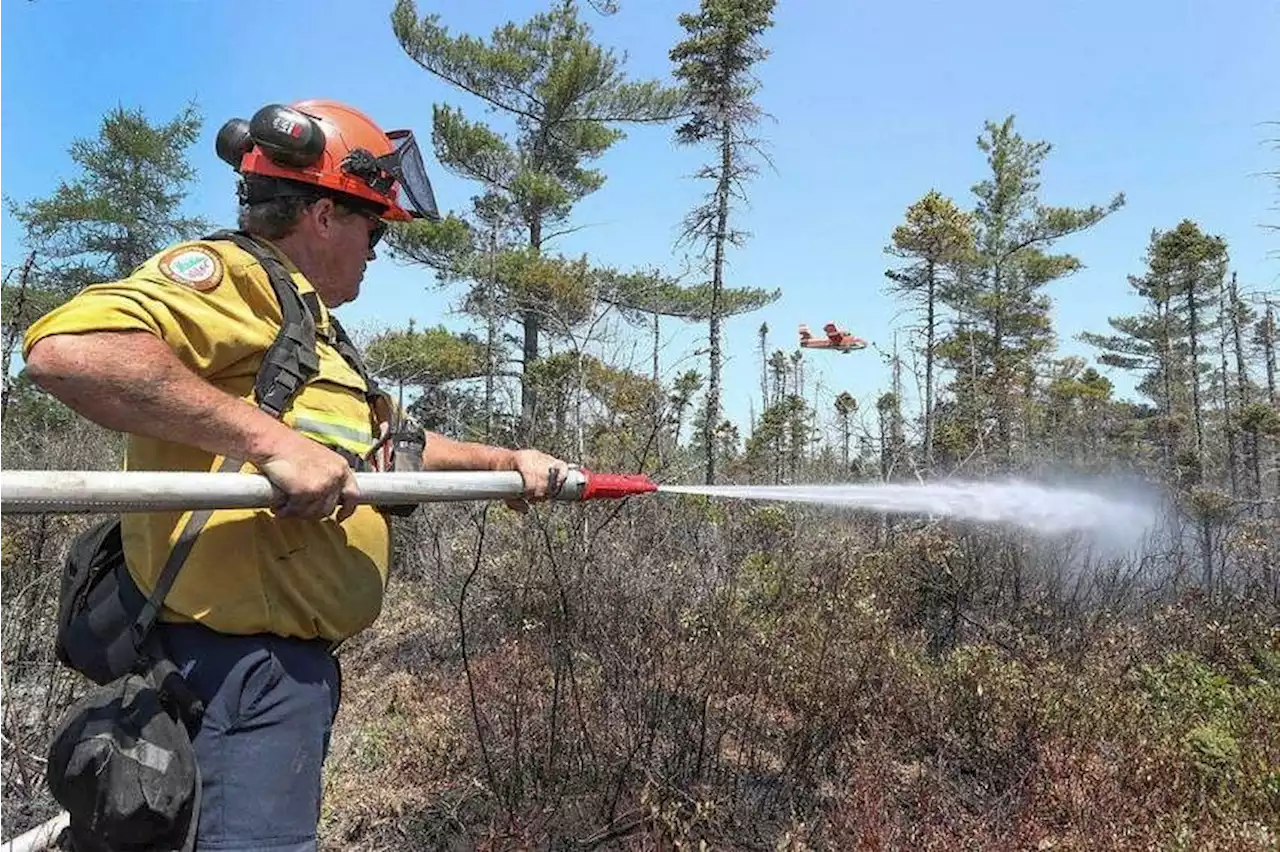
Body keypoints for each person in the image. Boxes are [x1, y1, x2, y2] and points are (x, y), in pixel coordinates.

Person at [22, 99, 568, 851]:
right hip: (230, 670)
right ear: (322, 215)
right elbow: (69, 351)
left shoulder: (307, 328)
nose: (376, 250)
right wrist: (269, 442)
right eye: (372, 228)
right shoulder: (236, 277)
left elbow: (387, 449)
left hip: (278, 675)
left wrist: (509, 463)